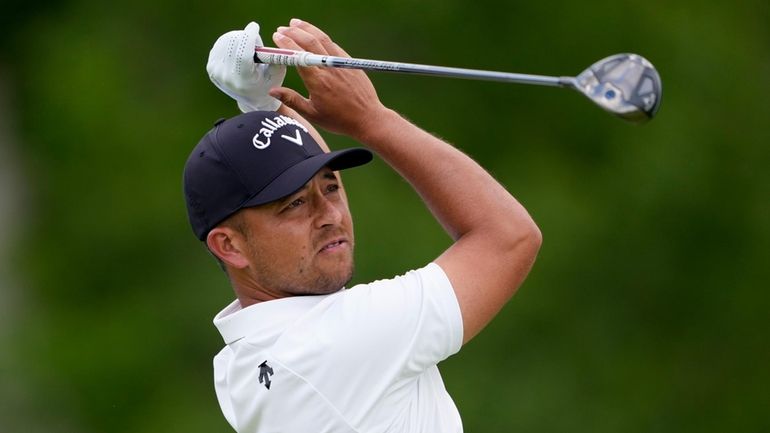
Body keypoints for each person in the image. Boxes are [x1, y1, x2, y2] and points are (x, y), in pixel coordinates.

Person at [183, 19, 542, 433]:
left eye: (331, 188)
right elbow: (509, 237)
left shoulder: (243, 359)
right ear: (229, 246)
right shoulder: (337, 342)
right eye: (296, 204)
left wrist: (264, 106)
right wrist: (371, 119)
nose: (331, 216)